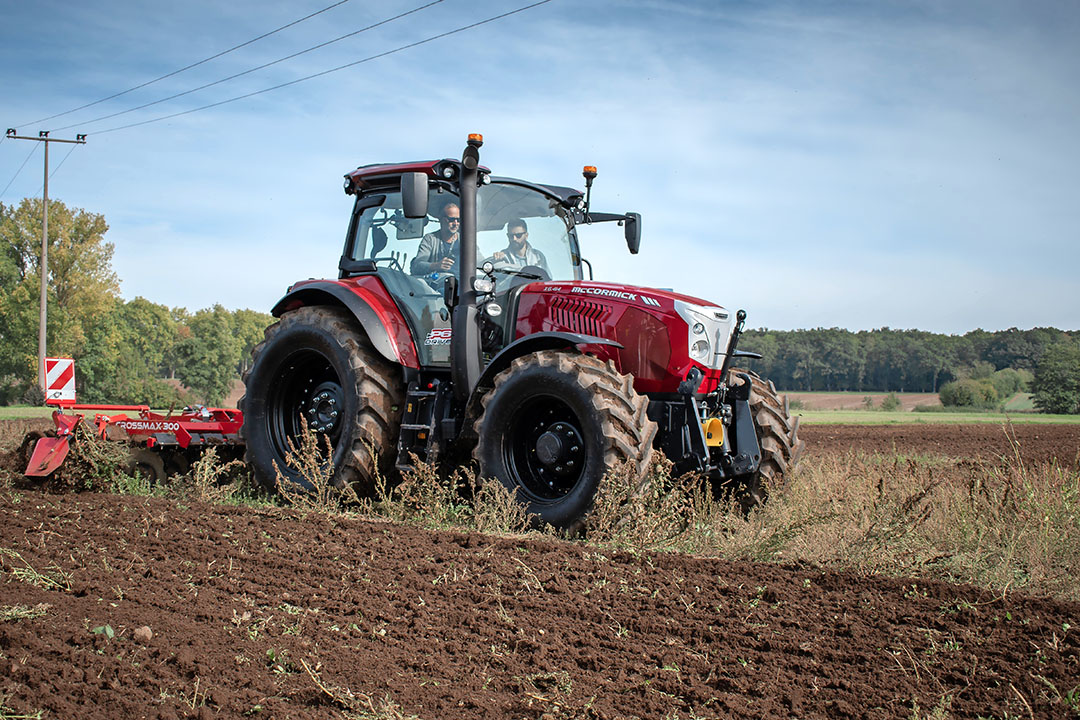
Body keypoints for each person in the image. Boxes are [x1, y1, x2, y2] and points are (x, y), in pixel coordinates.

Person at [410, 203, 461, 276]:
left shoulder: (466, 241)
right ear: (441, 220)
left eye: (458, 220)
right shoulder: (430, 239)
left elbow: (480, 260)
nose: (456, 223)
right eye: (451, 219)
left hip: (463, 284)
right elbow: (417, 266)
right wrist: (436, 266)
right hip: (438, 284)